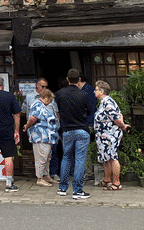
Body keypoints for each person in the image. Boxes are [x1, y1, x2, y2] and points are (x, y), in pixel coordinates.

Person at [53, 68, 91, 199]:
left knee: (66, 157)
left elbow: (57, 110)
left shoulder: (59, 94)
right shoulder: (83, 94)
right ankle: (77, 190)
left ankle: (62, 188)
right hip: (82, 129)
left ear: (67, 79)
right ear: (79, 80)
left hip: (67, 130)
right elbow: (90, 110)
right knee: (80, 159)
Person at [93, 80, 130, 191]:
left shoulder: (107, 102)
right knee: (106, 158)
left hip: (109, 135)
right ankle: (107, 180)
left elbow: (116, 118)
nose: (94, 91)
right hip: (103, 136)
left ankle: (117, 183)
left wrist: (123, 126)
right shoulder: (104, 102)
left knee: (112, 157)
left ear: (102, 91)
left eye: (96, 89)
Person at [23, 87, 59, 186]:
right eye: (50, 99)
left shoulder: (41, 104)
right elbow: (33, 118)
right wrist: (27, 126)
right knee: (42, 157)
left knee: (47, 157)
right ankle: (40, 178)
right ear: (46, 97)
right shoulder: (38, 105)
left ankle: (46, 175)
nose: (50, 102)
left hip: (47, 136)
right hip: (41, 136)